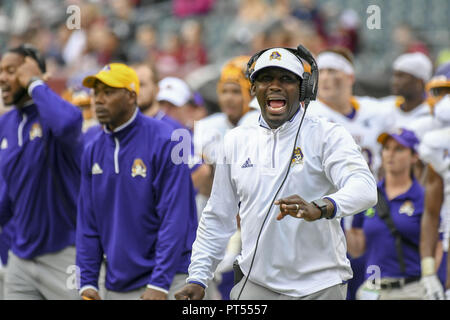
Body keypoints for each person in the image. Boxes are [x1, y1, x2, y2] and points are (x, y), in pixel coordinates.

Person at [175, 46, 377, 300]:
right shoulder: (235, 141)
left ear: (304, 89)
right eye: (265, 79)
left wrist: (323, 206)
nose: (274, 86)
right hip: (256, 284)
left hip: (320, 285)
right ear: (253, 89)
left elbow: (365, 187)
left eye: (286, 79)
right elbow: (218, 216)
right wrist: (198, 277)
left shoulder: (328, 134)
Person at [76, 63, 198, 300]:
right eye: (96, 93)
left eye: (108, 92)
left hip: (168, 279)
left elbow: (174, 217)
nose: (99, 100)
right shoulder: (92, 150)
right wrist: (88, 282)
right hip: (117, 282)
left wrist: (160, 283)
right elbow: (87, 222)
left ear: (131, 96)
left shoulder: (166, 140)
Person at [0, 44, 82, 300]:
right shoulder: (5, 124)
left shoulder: (56, 115)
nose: (2, 77)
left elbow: (67, 123)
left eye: (11, 71)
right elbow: (9, 190)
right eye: (0, 71)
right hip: (20, 257)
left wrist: (35, 83)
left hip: (64, 253)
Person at [347, 128, 426, 300]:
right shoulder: (369, 195)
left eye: (399, 149)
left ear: (414, 156)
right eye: (386, 148)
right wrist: (342, 220)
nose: (391, 154)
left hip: (410, 288)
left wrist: (435, 280)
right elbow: (357, 249)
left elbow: (436, 246)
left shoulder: (422, 197)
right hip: (372, 286)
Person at [417, 62, 450, 300]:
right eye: (440, 92)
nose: (445, 100)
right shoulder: (434, 142)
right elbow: (431, 212)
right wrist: (428, 271)